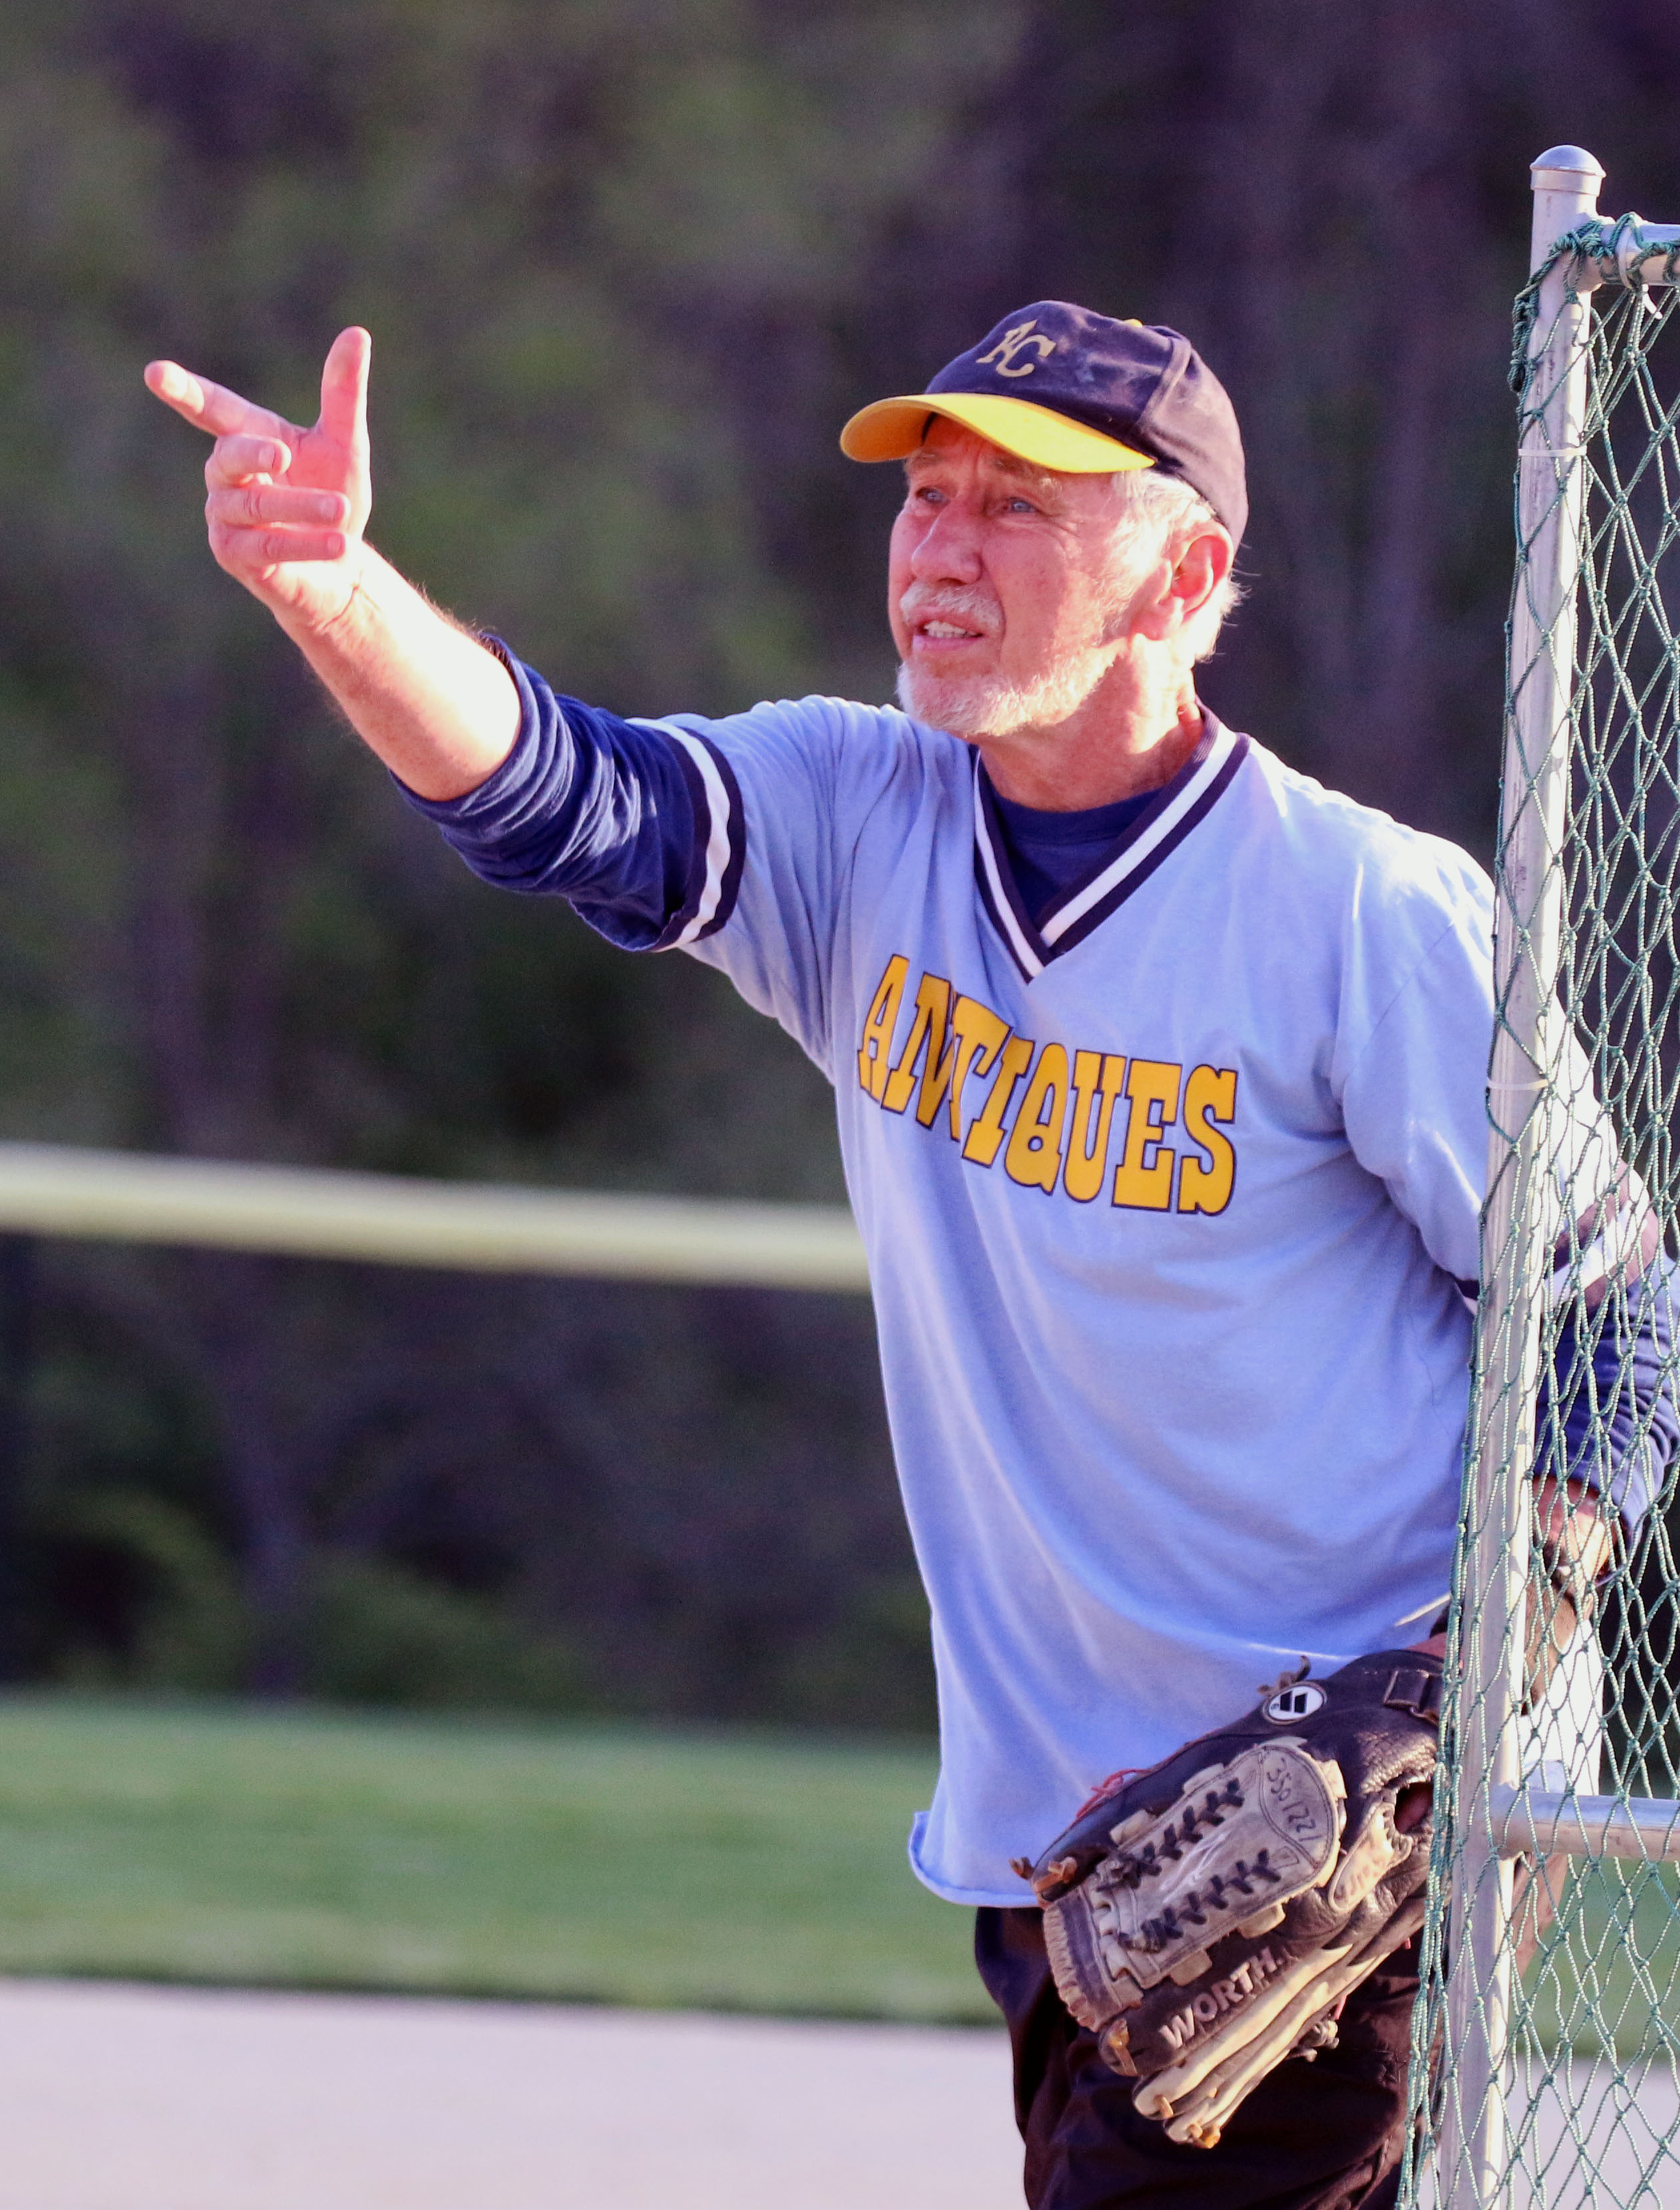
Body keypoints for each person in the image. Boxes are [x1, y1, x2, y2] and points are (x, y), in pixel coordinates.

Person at [146, 302, 1673, 2209]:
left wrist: (1487, 1649)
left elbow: (1618, 1312)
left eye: (1019, 508)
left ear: (1182, 572)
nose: (941, 544)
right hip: (1060, 1828)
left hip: (1346, 1830)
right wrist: (334, 591)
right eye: (924, 494)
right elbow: (565, 798)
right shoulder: (857, 817)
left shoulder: (1356, 911)